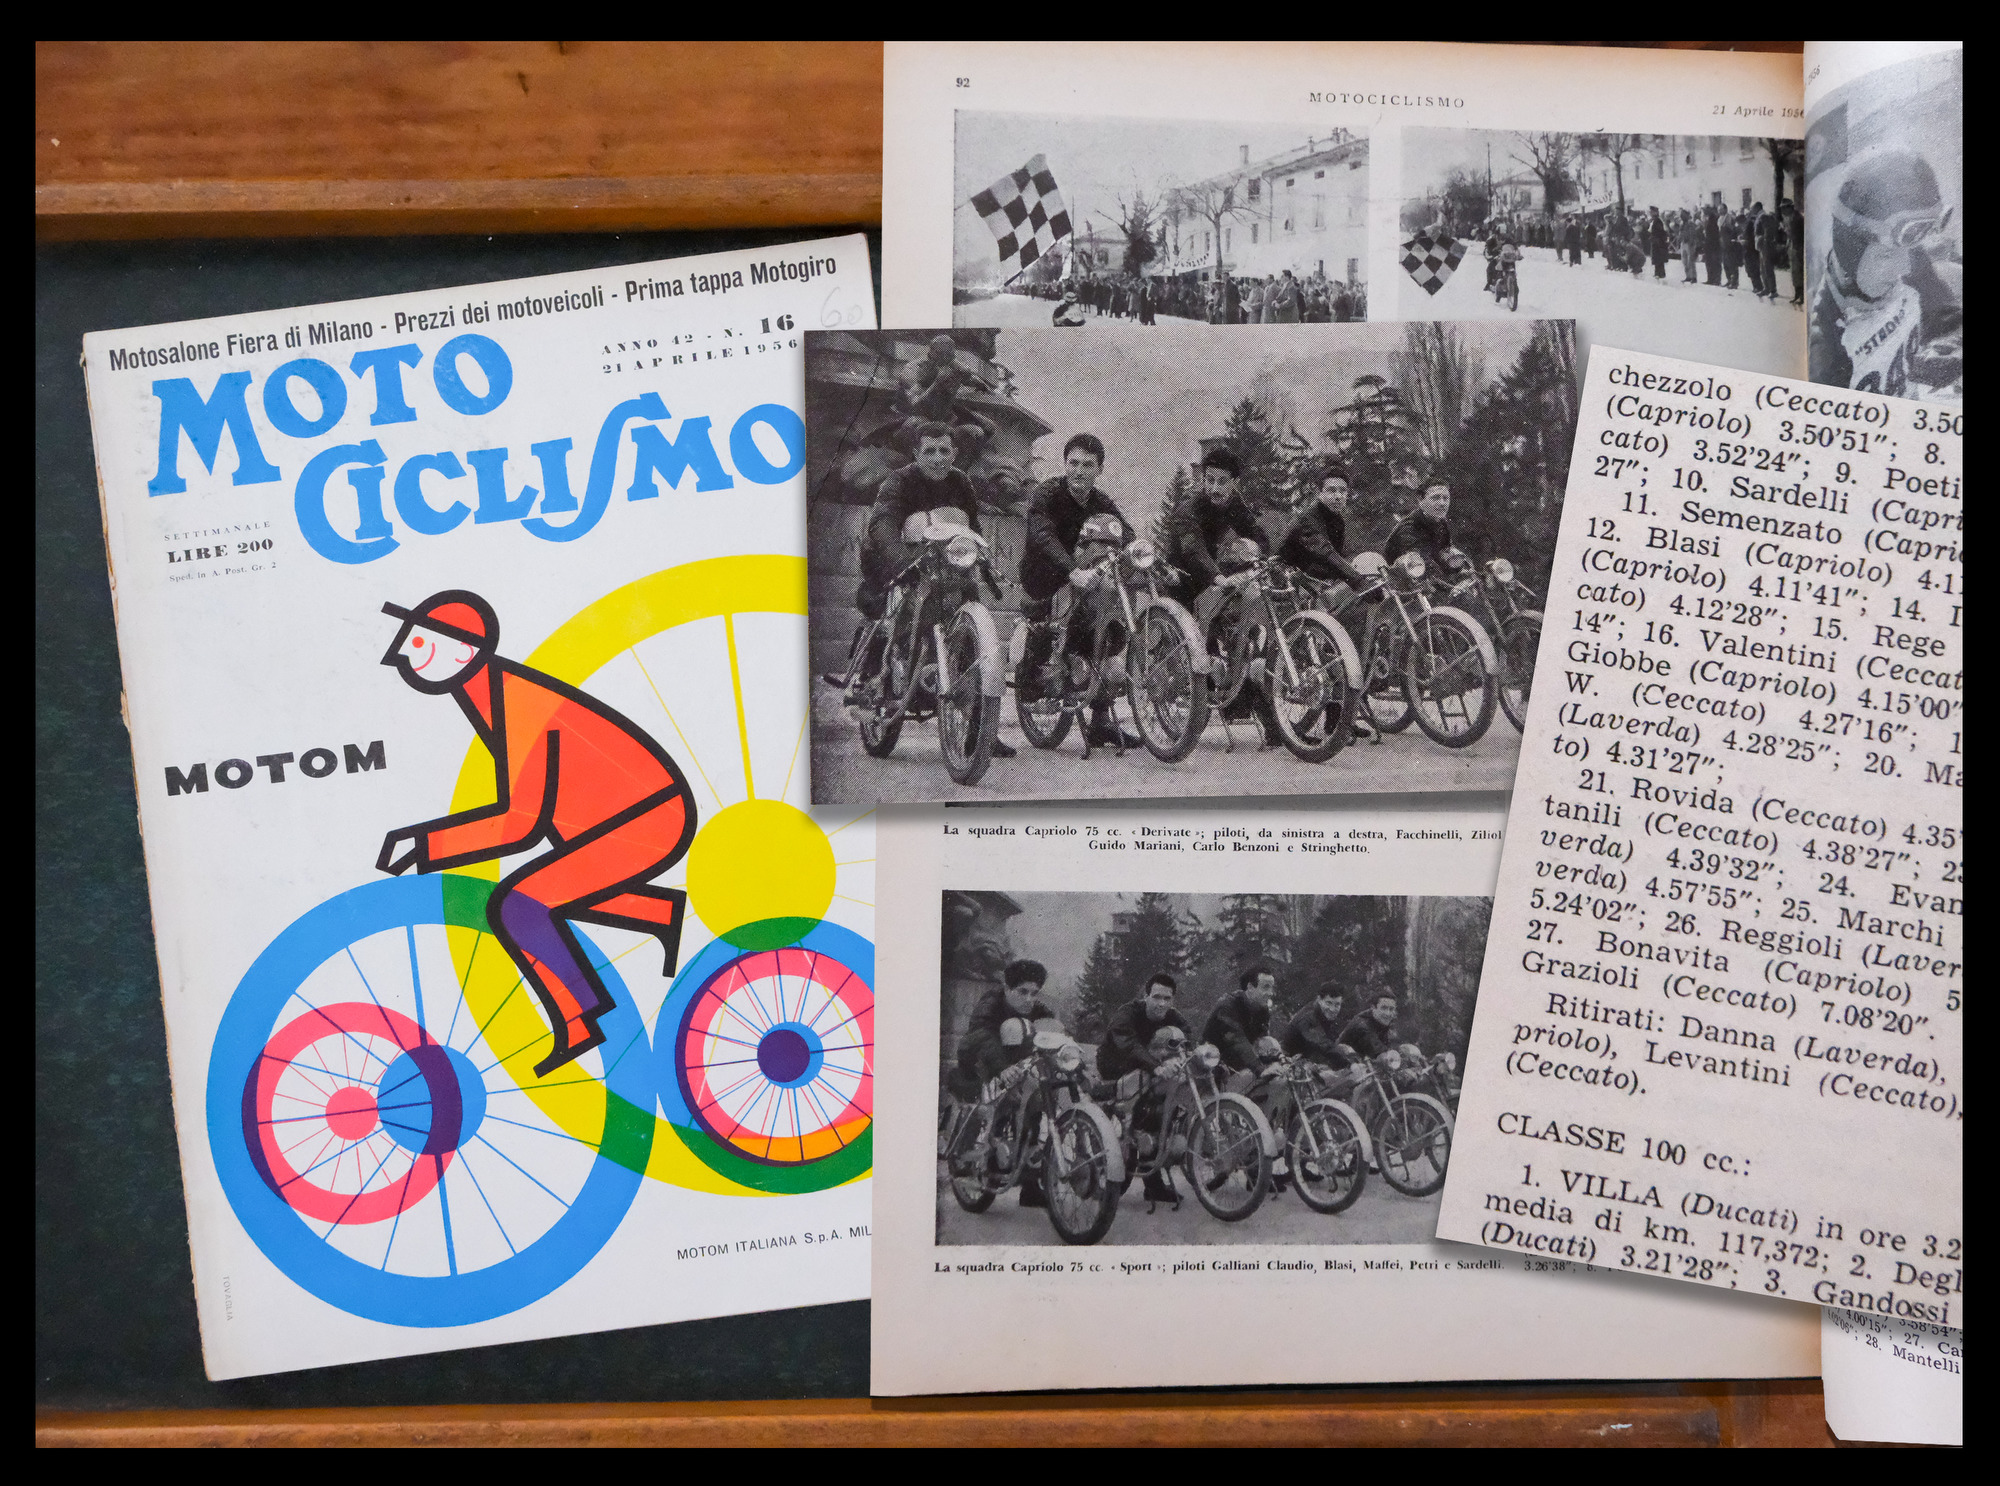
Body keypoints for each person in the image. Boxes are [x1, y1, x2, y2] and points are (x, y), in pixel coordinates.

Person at [377, 592, 694, 1077]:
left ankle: (580, 1023)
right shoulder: (487, 690)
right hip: (611, 819)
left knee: (518, 904)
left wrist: (427, 845)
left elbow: (518, 824)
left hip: (647, 819)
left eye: (418, 641)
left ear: (462, 652)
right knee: (541, 891)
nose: (403, 651)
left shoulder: (517, 698)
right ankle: (661, 915)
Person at [1016, 433, 1142, 749]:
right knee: (1049, 633)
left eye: (1088, 465)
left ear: (1099, 469)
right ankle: (1034, 670)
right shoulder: (1046, 494)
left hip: (1088, 578)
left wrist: (1141, 552)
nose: (1079, 471)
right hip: (1046, 575)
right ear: (1064, 465)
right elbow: (1043, 537)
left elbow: (1124, 532)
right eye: (1073, 463)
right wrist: (1072, 571)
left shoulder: (1101, 502)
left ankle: (1101, 724)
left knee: (1109, 633)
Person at [1809, 149, 1961, 398]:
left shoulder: (1906, 257)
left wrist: (1950, 345)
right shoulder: (1823, 339)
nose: (1905, 268)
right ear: (1852, 248)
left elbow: (1947, 318)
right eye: (1886, 256)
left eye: (1910, 252)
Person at [1096, 974, 1195, 1081]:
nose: (1162, 1004)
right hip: (1116, 1067)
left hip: (1147, 1063)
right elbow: (1129, 1045)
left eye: (1167, 999)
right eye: (1156, 997)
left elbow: (1187, 1033)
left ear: (1172, 1001)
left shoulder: (1173, 1015)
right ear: (1145, 997)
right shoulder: (1127, 1014)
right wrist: (1156, 1067)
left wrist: (1188, 1052)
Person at [1203, 965, 1281, 1076]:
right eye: (1265, 987)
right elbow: (1237, 1042)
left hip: (1242, 1063)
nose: (1270, 993)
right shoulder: (1227, 1006)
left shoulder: (1262, 1009)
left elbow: (1263, 1042)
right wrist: (1261, 1069)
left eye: (1271, 988)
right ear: (1250, 987)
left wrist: (1275, 1062)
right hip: (1213, 1065)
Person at [1384, 480, 1455, 577]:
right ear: (1420, 500)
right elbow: (1419, 564)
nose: (1442, 503)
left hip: (1431, 581)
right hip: (1405, 585)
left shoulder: (1441, 522)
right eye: (1436, 498)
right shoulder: (1409, 528)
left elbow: (1447, 552)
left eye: (1446, 498)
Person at [1281, 983, 1354, 1073]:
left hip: (1308, 1058)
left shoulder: (1325, 1015)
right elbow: (1322, 1044)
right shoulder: (1308, 1017)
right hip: (1289, 1063)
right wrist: (1351, 1063)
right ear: (1319, 1000)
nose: (1332, 1009)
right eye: (1328, 1003)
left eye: (1337, 1004)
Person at [1338, 991, 1403, 1061]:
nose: (1388, 1013)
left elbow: (1394, 1043)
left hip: (1361, 1063)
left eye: (1391, 1009)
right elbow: (1378, 1051)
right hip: (1341, 1065)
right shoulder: (1362, 1024)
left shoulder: (1381, 1020)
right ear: (1373, 1007)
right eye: (1384, 1008)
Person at [1757, 202, 1783, 303]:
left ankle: (1772, 289)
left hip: (1766, 247)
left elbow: (1767, 233)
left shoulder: (1765, 218)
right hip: (1763, 247)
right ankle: (1766, 288)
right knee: (1763, 268)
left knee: (1767, 268)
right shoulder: (1763, 218)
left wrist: (1762, 240)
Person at [1782, 199, 1804, 307]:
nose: (1782, 210)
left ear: (1789, 207)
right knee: (1794, 273)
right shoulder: (1788, 218)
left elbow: (1798, 235)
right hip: (1792, 247)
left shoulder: (1797, 218)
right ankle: (1797, 294)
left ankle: (1802, 296)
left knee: (1799, 272)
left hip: (1798, 247)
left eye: (1784, 208)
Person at [1742, 204, 1765, 297]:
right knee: (1749, 268)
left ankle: (1758, 286)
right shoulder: (1749, 221)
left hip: (1751, 247)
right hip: (1747, 247)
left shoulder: (1752, 222)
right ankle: (1755, 286)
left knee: (1753, 268)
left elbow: (1752, 235)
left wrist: (1746, 241)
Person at [1702, 204, 1723, 287]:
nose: (1704, 211)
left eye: (1705, 209)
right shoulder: (1706, 218)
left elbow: (1715, 231)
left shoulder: (1714, 218)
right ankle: (1710, 278)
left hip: (1714, 243)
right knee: (1709, 262)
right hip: (1708, 243)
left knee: (1715, 262)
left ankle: (1717, 279)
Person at [1647, 206, 1669, 280]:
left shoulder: (1657, 221)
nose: (1650, 213)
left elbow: (1660, 231)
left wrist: (1654, 237)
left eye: (1651, 211)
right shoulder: (1654, 220)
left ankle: (1660, 273)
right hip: (1655, 241)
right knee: (1656, 257)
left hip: (1658, 242)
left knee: (1658, 257)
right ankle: (1657, 272)